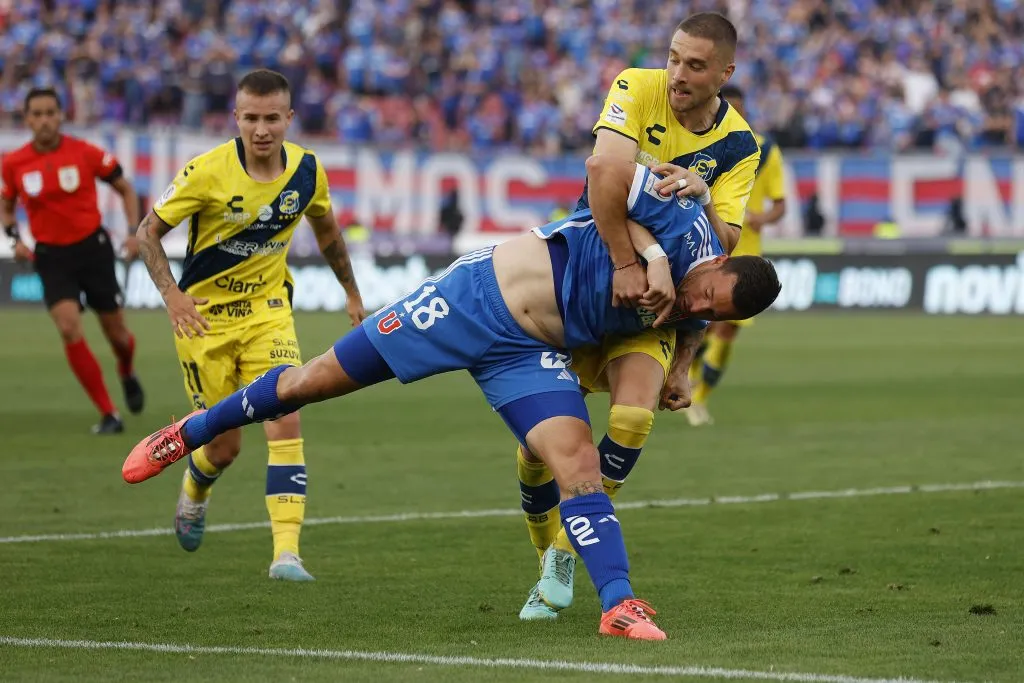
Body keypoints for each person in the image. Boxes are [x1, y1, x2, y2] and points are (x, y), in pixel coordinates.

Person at [123, 154, 782, 640]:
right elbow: (607, 166)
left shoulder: (698, 308)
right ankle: (190, 431)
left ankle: (618, 601)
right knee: (311, 381)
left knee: (578, 461)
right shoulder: (682, 218)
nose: (694, 303)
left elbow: (691, 327)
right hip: (475, 298)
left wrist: (682, 367)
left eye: (709, 308)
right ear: (717, 265)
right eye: (704, 290)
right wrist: (649, 258)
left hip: (529, 355)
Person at [515, 12, 761, 620]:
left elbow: (722, 245)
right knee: (536, 449)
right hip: (585, 277)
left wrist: (701, 194)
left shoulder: (739, 145)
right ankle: (545, 556)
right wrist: (641, 253)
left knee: (631, 416)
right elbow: (605, 175)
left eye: (696, 65)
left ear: (725, 73)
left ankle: (566, 556)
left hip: (660, 307)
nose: (678, 73)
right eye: (674, 57)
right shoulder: (636, 86)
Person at [134, 69, 366, 582]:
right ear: (236, 118)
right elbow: (148, 233)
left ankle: (287, 554)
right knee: (223, 446)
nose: (262, 130)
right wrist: (172, 296)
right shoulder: (205, 172)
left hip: (268, 315)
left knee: (287, 412)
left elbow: (327, 230)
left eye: (272, 119)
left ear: (289, 118)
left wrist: (351, 291)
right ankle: (196, 487)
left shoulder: (307, 171)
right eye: (251, 119)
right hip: (204, 325)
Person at [1, 87, 143, 435]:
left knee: (118, 335)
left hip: (93, 250)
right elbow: (7, 205)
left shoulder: (83, 152)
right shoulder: (13, 163)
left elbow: (125, 188)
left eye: (51, 112)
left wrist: (133, 231)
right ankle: (109, 413)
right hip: (51, 257)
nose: (45, 120)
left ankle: (126, 369)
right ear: (28, 119)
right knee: (68, 327)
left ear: (61, 115)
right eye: (37, 114)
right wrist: (15, 239)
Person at [688, 84, 787, 426]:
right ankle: (686, 376)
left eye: (741, 109)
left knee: (728, 330)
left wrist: (763, 218)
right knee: (700, 324)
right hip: (709, 244)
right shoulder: (702, 142)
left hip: (747, 250)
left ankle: (699, 399)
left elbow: (780, 205)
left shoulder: (765, 149)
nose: (737, 115)